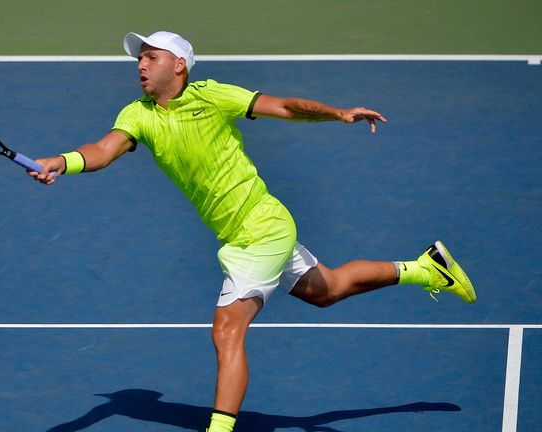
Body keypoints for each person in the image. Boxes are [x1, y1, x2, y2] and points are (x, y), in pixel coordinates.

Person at [29, 31, 475, 432]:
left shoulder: (214, 96)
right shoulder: (138, 114)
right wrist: (60, 162)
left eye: (150, 56)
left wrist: (336, 114)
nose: (141, 65)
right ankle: (425, 268)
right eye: (138, 59)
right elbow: (103, 151)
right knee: (328, 288)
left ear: (178, 64)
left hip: (260, 229)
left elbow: (283, 107)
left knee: (226, 329)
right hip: (244, 232)